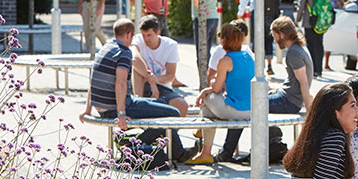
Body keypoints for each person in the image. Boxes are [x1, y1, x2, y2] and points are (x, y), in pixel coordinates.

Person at [79, 18, 193, 162]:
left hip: (103, 106)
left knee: (162, 104)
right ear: (128, 34)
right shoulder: (124, 52)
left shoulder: (105, 48)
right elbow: (120, 83)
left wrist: (88, 110)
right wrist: (121, 114)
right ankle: (134, 143)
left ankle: (177, 151)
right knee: (174, 113)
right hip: (118, 107)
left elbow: (92, 82)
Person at [217, 16, 313, 163]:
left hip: (289, 102)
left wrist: (309, 110)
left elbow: (304, 82)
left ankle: (228, 152)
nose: (274, 40)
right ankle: (271, 141)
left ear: (281, 34)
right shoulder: (299, 48)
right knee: (250, 101)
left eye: (274, 36)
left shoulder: (294, 53)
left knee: (245, 105)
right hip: (285, 96)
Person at [186, 22, 255, 164]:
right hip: (251, 110)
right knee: (207, 111)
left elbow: (216, 88)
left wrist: (203, 92)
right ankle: (204, 151)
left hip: (236, 110)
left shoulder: (226, 60)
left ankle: (204, 146)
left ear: (224, 40)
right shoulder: (248, 56)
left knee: (208, 98)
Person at [130, 15, 188, 118]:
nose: (146, 39)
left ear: (158, 32)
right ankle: (137, 100)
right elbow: (135, 59)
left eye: (149, 35)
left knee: (182, 105)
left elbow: (170, 76)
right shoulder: (138, 40)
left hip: (161, 86)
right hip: (140, 85)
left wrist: (155, 80)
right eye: (143, 35)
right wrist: (151, 81)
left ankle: (168, 133)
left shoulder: (170, 45)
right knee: (136, 68)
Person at [237, 0, 285, 75]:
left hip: (256, 12)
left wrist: (240, 12)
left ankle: (257, 67)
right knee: (269, 37)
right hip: (271, 13)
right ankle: (269, 65)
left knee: (256, 39)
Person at [297, 0, 328, 78]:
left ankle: (312, 69)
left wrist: (297, 19)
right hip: (322, 20)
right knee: (319, 43)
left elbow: (302, 4)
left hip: (309, 20)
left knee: (310, 44)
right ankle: (319, 70)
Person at [191, 0, 219, 70]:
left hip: (203, 18)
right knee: (207, 49)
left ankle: (203, 78)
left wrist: (200, 10)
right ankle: (208, 75)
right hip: (214, 17)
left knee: (201, 51)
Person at [323, 0, 347, 71]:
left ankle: (323, 63)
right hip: (332, 17)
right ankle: (326, 64)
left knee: (323, 40)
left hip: (323, 16)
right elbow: (341, 4)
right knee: (331, 40)